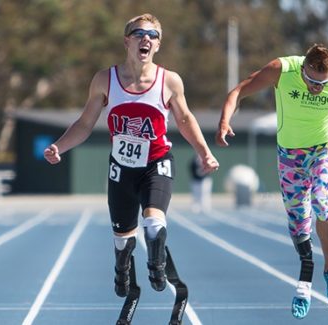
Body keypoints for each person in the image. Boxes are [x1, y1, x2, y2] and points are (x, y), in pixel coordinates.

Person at [43, 12, 219, 315]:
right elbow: (85, 123)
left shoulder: (169, 81)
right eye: (139, 33)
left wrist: (204, 152)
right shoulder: (105, 80)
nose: (146, 39)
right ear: (127, 41)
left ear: (158, 45)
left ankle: (156, 265)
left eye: (153, 35)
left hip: (156, 162)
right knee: (123, 240)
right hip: (121, 169)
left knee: (153, 225)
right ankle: (122, 267)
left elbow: (186, 119)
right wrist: (60, 146)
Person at [216, 44, 328, 319]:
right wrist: (225, 120)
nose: (317, 88)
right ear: (303, 69)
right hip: (290, 155)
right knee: (299, 223)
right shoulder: (282, 70)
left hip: (326, 147)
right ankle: (306, 270)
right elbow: (238, 91)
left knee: (323, 203)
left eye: (322, 83)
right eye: (311, 81)